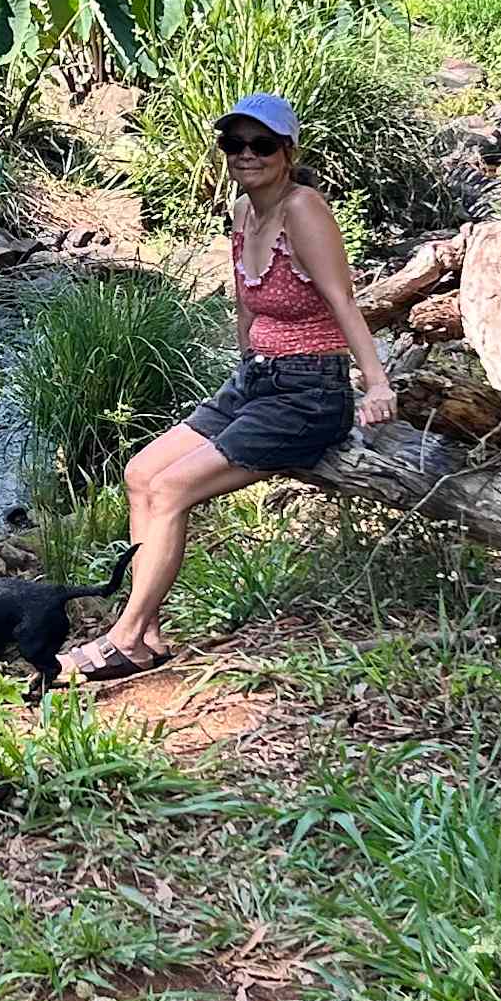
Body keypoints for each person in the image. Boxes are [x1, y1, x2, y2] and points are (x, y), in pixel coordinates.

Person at [64, 92, 396, 685]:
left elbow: (344, 301)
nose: (247, 155)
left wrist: (376, 384)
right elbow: (246, 300)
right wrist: (244, 364)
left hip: (309, 392)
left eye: (262, 145)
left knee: (169, 491)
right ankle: (148, 636)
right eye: (234, 144)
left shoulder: (305, 209)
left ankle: (123, 637)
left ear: (288, 152)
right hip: (257, 381)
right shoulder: (245, 211)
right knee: (141, 473)